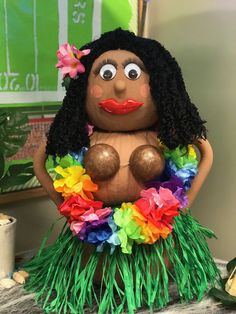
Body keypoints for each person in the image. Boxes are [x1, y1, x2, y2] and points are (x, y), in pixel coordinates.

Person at [25, 28, 219, 313]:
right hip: (94, 244)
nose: (118, 87)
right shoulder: (84, 138)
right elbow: (40, 159)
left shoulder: (163, 138)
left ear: (163, 87)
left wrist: (183, 206)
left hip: (154, 243)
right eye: (105, 74)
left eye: (132, 74)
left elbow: (205, 152)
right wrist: (68, 208)